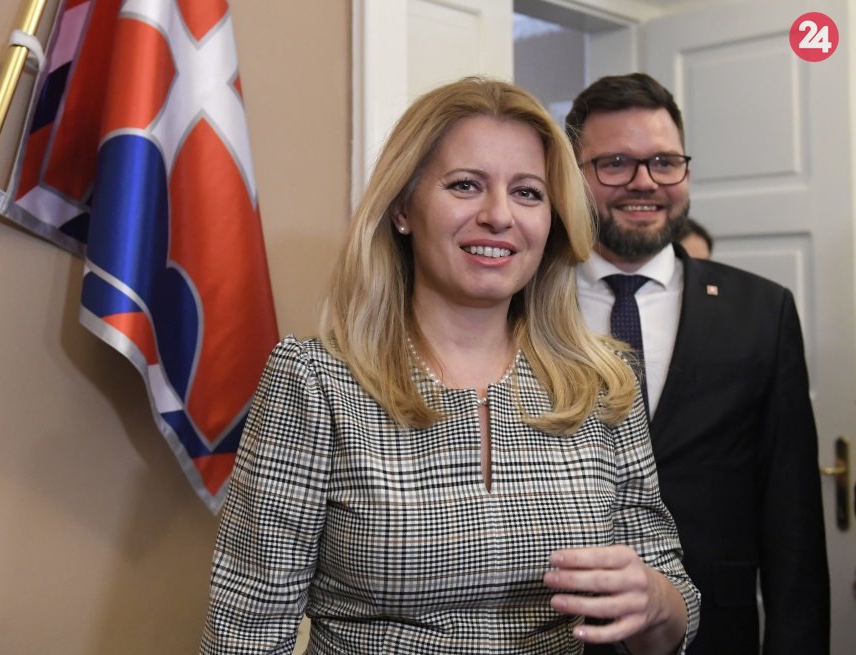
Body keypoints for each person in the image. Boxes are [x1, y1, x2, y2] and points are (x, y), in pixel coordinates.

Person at [200, 76, 700, 654]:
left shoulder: (602, 382)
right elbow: (245, 629)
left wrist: (655, 600)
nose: (499, 215)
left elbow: (673, 609)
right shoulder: (316, 383)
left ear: (553, 221)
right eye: (465, 185)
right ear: (403, 209)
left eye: (528, 193)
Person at [565, 72, 829, 654]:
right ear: (571, 174)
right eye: (615, 163)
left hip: (714, 630)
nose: (644, 182)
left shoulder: (762, 311)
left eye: (665, 162)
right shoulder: (522, 303)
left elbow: (793, 521)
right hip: (553, 628)